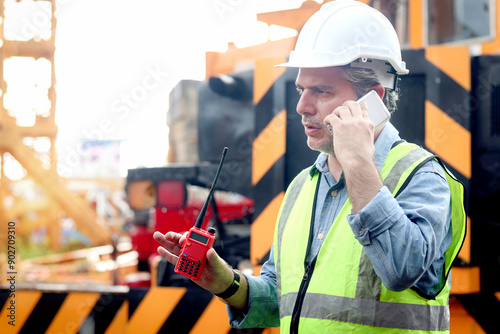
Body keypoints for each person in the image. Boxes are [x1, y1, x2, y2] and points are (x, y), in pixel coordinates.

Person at [154, 1, 466, 333]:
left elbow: (401, 269)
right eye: (302, 89)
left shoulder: (421, 176)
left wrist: (358, 161)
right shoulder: (304, 186)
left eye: (322, 91)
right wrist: (226, 283)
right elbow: (282, 299)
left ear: (371, 100)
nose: (302, 106)